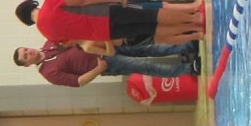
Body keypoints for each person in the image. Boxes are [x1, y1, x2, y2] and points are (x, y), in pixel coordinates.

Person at [14, 0, 205, 45]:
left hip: (104, 34)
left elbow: (74, 41)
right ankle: (194, 17)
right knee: (151, 14)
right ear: (32, 5)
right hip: (104, 14)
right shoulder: (49, 4)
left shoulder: (47, 35)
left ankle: (196, 32)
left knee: (151, 29)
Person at [13, 41, 200, 87]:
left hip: (106, 47)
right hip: (105, 63)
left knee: (147, 48)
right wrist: (99, 69)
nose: (29, 53)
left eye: (26, 50)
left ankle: (186, 46)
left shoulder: (49, 44)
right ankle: (187, 69)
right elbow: (78, 82)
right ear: (27, 64)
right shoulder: (49, 73)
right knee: (145, 65)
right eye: (26, 57)